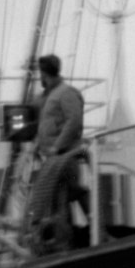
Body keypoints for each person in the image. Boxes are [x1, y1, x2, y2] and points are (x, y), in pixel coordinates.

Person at [27, 53, 90, 253]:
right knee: (56, 202)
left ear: (43, 73)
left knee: (66, 196)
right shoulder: (46, 97)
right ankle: (66, 241)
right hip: (52, 159)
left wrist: (57, 147)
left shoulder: (66, 93)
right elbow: (42, 123)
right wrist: (38, 144)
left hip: (65, 158)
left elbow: (74, 121)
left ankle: (82, 236)